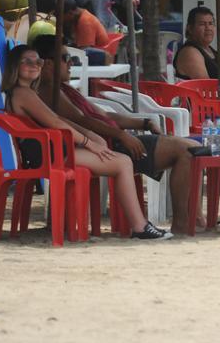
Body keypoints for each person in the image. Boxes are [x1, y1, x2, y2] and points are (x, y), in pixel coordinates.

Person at [0, 45, 171, 240]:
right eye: (27, 61)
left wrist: (90, 135)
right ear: (15, 66)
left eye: (37, 61)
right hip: (52, 153)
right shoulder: (24, 94)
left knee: (116, 161)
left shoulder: (23, 92)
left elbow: (60, 119)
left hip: (52, 151)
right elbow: (55, 122)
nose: (34, 65)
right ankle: (140, 226)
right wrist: (90, 142)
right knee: (123, 162)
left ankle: (80, 226)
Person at [32, 36, 199, 235]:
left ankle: (197, 218)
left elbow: (103, 115)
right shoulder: (49, 91)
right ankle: (182, 222)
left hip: (111, 140)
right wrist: (122, 136)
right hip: (107, 146)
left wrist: (142, 122)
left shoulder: (64, 89)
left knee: (191, 148)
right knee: (187, 150)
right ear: (48, 63)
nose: (71, 64)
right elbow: (83, 121)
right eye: (66, 58)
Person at [62, 0, 112, 65]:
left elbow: (84, 52)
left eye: (61, 16)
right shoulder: (75, 20)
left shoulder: (85, 22)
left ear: (70, 13)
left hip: (99, 57)